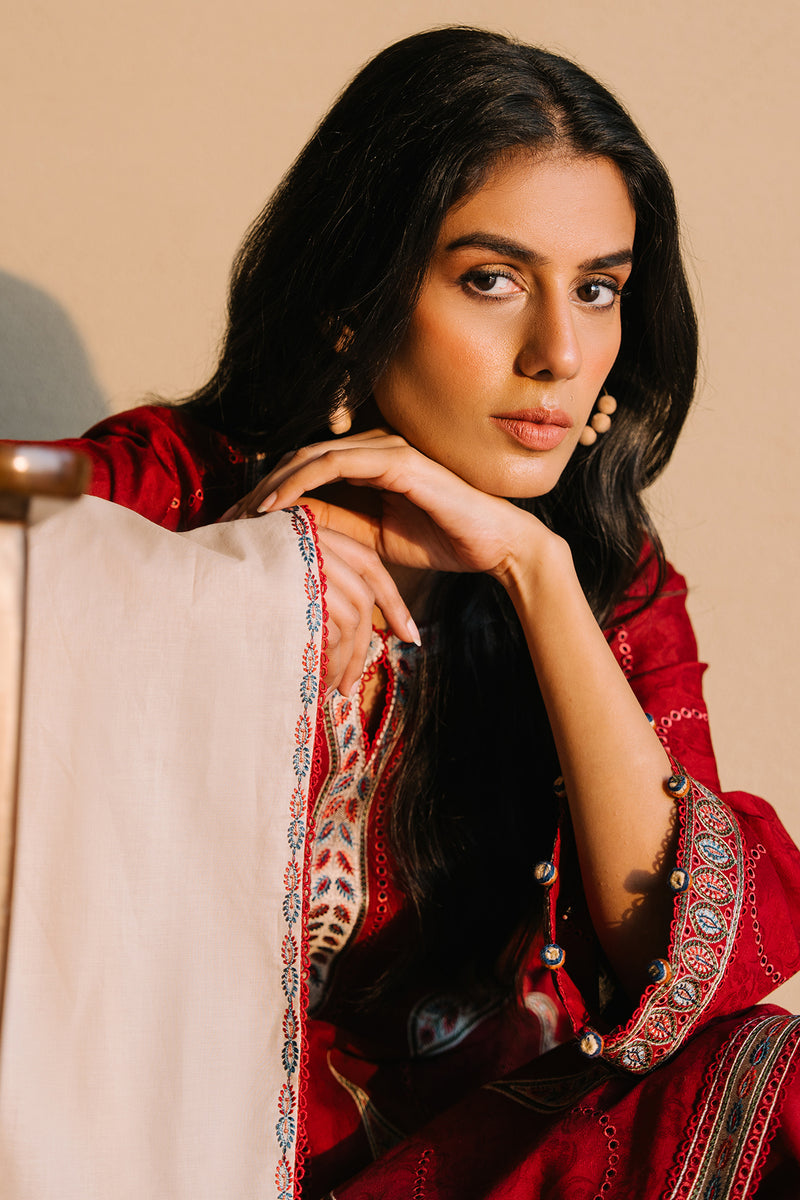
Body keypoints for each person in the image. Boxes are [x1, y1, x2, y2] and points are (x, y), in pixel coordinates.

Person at [12, 25, 800, 1199]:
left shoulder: (603, 578)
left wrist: (532, 570)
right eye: (491, 280)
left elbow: (671, 953)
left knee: (771, 1078)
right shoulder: (177, 481)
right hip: (182, 1148)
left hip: (471, 1157)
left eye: (596, 289)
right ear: (355, 297)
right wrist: (247, 584)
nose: (558, 351)